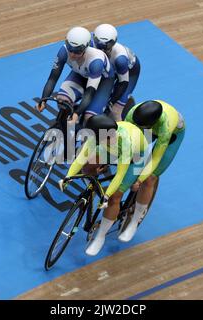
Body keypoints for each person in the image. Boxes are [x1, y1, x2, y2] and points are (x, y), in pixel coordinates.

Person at [59, 114, 148, 256]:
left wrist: (106, 195)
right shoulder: (98, 136)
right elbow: (80, 160)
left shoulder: (125, 142)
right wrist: (67, 177)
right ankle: (93, 194)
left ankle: (100, 237)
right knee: (87, 169)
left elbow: (120, 174)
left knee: (114, 197)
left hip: (135, 156)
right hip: (110, 147)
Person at [118, 100, 185, 242]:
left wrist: (140, 179)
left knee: (150, 179)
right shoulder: (132, 114)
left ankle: (134, 221)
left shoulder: (165, 128)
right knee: (133, 159)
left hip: (173, 135)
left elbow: (155, 158)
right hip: (146, 129)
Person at [36, 26, 115, 125]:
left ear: (86, 47)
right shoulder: (63, 51)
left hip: (104, 82)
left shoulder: (96, 61)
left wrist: (77, 113)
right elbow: (52, 79)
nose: (72, 54)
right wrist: (43, 100)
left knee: (89, 118)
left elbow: (90, 92)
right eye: (70, 49)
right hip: (81, 75)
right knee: (62, 100)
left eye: (77, 51)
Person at [92, 24, 140, 121]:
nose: (102, 50)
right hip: (111, 68)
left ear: (113, 43)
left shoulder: (120, 58)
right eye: (99, 46)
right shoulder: (89, 43)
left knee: (115, 111)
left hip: (130, 72)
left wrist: (112, 102)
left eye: (106, 47)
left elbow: (123, 83)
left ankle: (121, 133)